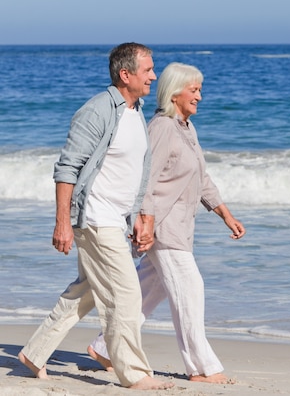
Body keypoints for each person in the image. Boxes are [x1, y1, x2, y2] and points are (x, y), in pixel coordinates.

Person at [19, 42, 174, 390]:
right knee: (126, 295)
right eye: (147, 70)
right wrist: (62, 222)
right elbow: (67, 169)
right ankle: (134, 373)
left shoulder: (136, 111)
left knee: (86, 291)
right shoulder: (98, 111)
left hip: (115, 219)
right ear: (126, 74)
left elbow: (133, 171)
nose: (153, 75)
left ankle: (34, 353)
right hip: (94, 217)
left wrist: (135, 215)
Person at [88, 62, 246, 384]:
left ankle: (105, 347)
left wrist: (226, 215)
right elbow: (145, 179)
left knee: (149, 290)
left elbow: (202, 179)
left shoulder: (186, 128)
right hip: (162, 227)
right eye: (194, 90)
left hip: (180, 225)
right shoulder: (162, 127)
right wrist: (144, 222)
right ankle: (202, 367)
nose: (200, 96)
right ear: (175, 94)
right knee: (190, 289)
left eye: (200, 89)